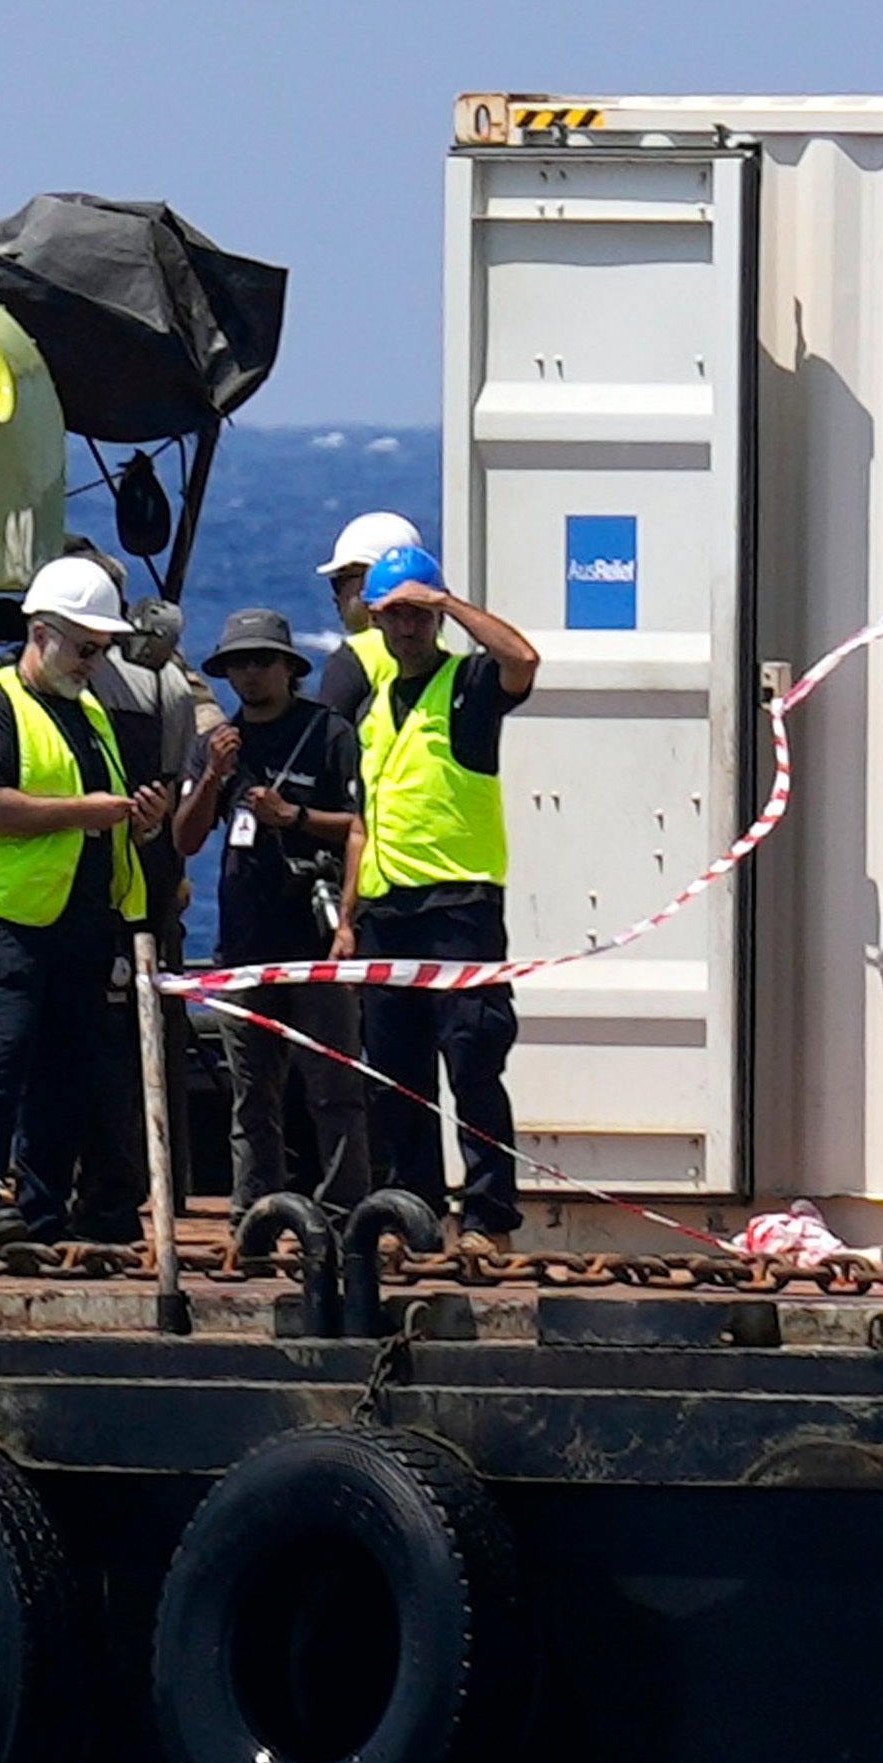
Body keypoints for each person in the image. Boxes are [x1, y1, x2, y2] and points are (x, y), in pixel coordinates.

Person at [0, 555, 191, 1245]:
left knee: (67, 1067)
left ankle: (39, 1208)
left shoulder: (90, 712)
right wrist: (84, 812)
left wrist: (143, 819)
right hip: (5, 918)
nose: (92, 663)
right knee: (4, 1052)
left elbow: (104, 809)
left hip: (77, 921)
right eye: (83, 648)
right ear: (40, 633)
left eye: (100, 651)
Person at [331, 512, 548, 1236]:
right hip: (389, 913)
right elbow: (362, 819)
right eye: (395, 615)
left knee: (474, 1060)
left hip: (459, 908)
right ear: (376, 618)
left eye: (419, 615)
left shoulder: (470, 685)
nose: (408, 628)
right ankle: (415, 1213)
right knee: (397, 1076)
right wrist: (347, 918)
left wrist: (447, 600)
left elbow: (524, 661)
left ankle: (489, 1215)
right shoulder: (373, 705)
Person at [195, 601, 357, 1192]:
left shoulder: (329, 733)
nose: (250, 675)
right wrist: (212, 776)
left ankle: (344, 1218)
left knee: (334, 1090)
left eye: (262, 661)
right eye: (237, 664)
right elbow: (187, 838)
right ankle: (255, 1216)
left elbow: (362, 825)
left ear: (288, 668)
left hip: (313, 945)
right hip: (243, 947)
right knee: (251, 1097)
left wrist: (294, 816)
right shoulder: (221, 744)